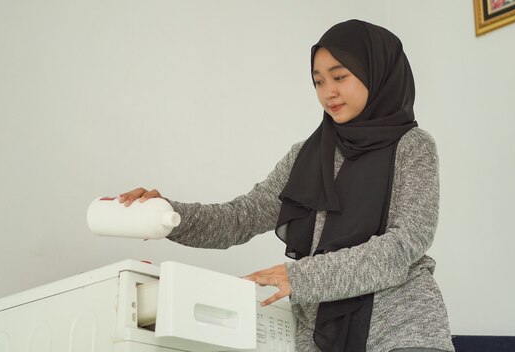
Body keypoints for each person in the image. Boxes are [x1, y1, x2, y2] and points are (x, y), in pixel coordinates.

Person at [119, 19, 454, 352]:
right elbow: (243, 217)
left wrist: (301, 278)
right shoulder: (306, 156)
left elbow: (403, 245)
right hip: (318, 333)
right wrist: (168, 215)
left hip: (403, 327)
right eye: (318, 82)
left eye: (339, 77)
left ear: (377, 74)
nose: (328, 92)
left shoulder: (412, 146)